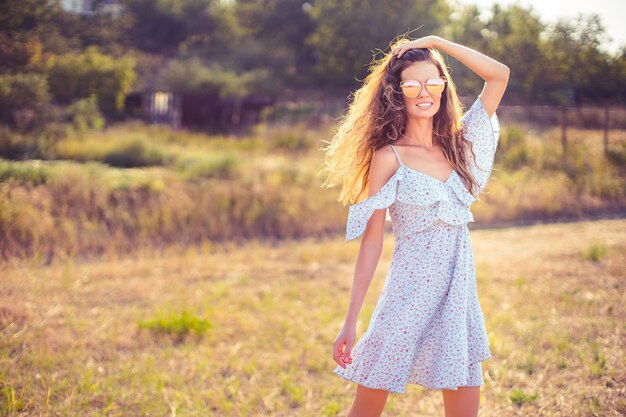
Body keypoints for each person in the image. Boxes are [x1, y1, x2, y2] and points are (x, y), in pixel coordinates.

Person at [321, 35, 509, 417]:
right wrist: (350, 320)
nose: (424, 92)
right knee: (366, 410)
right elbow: (372, 243)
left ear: (443, 86)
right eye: (412, 84)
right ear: (398, 92)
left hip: (458, 295)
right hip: (407, 297)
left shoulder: (461, 144)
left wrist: (438, 42)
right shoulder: (388, 157)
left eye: (433, 82)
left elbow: (499, 75)